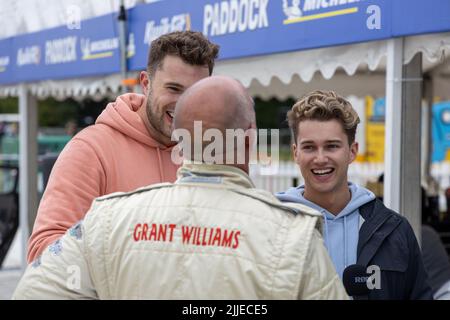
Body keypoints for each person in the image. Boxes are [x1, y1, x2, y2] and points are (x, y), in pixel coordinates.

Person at [13, 76, 348, 300]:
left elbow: (34, 292)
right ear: (248, 138)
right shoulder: (292, 238)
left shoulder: (107, 220)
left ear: (180, 139)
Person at [27, 31, 219, 263]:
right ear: (146, 84)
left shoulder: (207, 153)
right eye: (173, 89)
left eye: (194, 93)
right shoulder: (90, 150)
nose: (183, 104)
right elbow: (44, 252)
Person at [276, 90, 432, 299]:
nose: (320, 158)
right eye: (309, 147)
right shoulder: (271, 226)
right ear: (296, 153)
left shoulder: (394, 230)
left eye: (332, 146)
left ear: (352, 151)